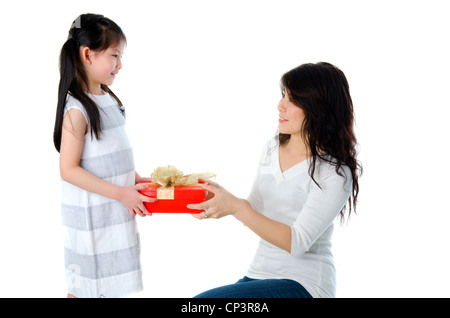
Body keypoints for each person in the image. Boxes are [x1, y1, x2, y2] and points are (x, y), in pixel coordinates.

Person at [188, 62, 362, 298]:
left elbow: (298, 242)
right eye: (282, 95)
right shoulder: (272, 148)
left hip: (304, 284)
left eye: (293, 99)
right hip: (259, 274)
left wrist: (236, 207)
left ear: (318, 107)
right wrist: (221, 199)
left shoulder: (335, 172)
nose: (280, 105)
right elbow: (256, 210)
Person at [53, 13, 155, 298]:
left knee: (107, 288)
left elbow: (110, 154)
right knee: (86, 288)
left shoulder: (108, 99)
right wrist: (121, 193)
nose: (120, 65)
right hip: (91, 221)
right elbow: (69, 169)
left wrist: (135, 180)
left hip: (112, 213)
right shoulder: (77, 109)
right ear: (87, 54)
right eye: (115, 55)